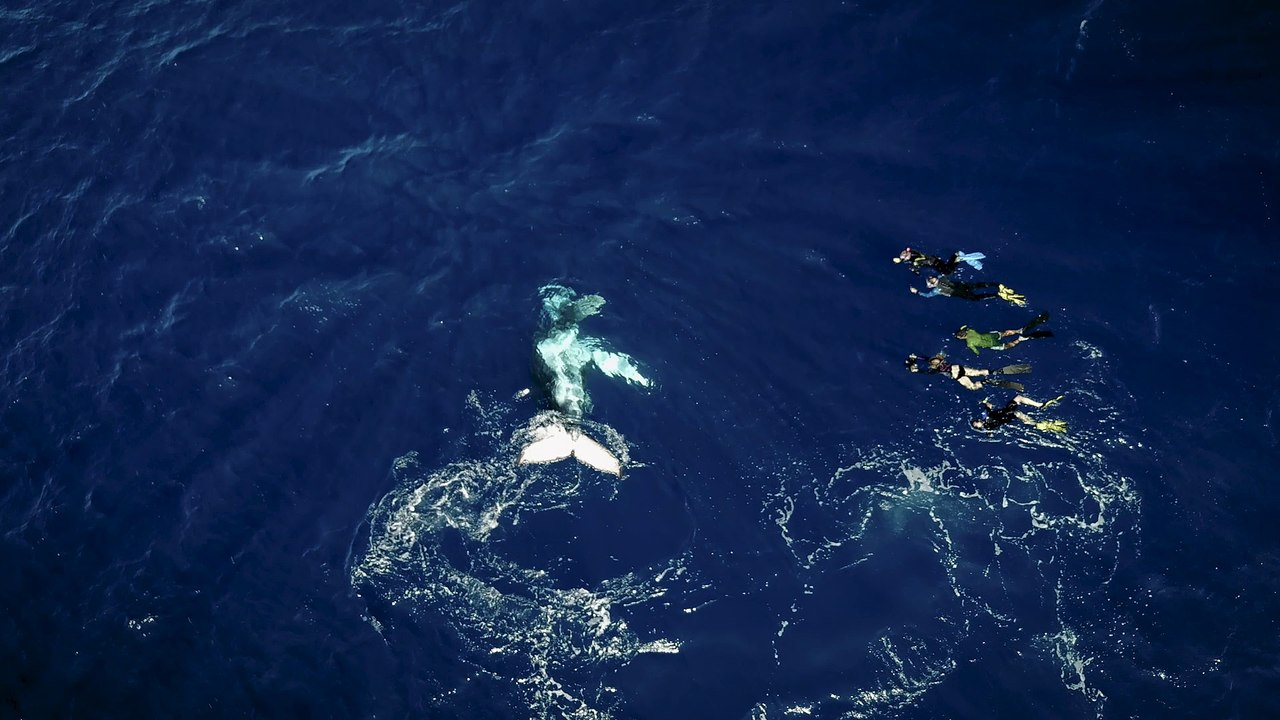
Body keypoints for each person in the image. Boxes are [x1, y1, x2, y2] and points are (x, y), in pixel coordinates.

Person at [905, 352, 1032, 391]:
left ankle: (985, 382)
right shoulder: (939, 361)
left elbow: (928, 371)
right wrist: (916, 357)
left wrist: (917, 370)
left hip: (957, 375)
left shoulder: (935, 368)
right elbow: (927, 359)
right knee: (978, 371)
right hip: (959, 368)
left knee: (972, 387)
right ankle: (991, 372)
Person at [954, 312, 1053, 355]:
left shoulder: (969, 343)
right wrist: (963, 329)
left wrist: (976, 353)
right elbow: (966, 327)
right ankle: (1018, 331)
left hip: (991, 344)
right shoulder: (970, 331)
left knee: (1006, 346)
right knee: (1003, 333)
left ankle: (1019, 339)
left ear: (962, 338)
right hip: (990, 336)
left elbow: (977, 352)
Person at [971, 394, 1067, 433]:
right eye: (976, 423)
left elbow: (989, 406)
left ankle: (1039, 423)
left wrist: (985, 403)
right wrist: (984, 402)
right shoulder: (987, 425)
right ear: (978, 426)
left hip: (1006, 414)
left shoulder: (986, 421)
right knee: (1018, 402)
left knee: (1018, 405)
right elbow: (989, 406)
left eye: (976, 421)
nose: (978, 421)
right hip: (1006, 414)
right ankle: (1040, 408)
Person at [911, 276, 1028, 306]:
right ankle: (996, 285)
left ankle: (997, 294)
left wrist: (916, 292)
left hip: (959, 292)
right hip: (961, 286)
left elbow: (927, 295)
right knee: (976, 285)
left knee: (976, 298)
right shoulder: (941, 277)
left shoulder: (937, 290)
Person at [894, 247, 985, 275]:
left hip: (937, 265)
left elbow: (917, 270)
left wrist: (914, 270)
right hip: (936, 261)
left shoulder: (914, 260)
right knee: (948, 268)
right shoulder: (914, 253)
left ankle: (958, 257)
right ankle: (957, 256)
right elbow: (910, 251)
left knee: (947, 271)